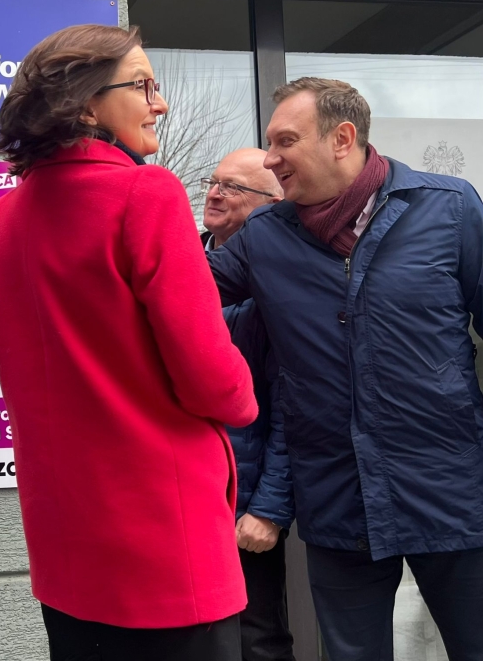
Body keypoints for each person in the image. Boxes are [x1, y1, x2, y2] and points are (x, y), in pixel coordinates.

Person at [0, 24, 258, 661]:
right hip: (163, 542)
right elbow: (211, 379)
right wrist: (244, 395)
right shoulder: (147, 193)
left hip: (65, 546)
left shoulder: (3, 217)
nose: (159, 103)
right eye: (142, 86)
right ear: (86, 105)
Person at [208, 77, 483, 661]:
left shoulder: (449, 207)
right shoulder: (263, 236)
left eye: (285, 141)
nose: (270, 158)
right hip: (336, 499)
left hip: (451, 492)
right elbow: (179, 292)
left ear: (342, 138)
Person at [202, 149, 295, 661]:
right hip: (183, 497)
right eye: (213, 181)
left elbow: (289, 407)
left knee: (257, 641)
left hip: (244, 509)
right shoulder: (175, 270)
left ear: (271, 205)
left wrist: (269, 510)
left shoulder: (277, 289)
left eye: (233, 186)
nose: (214, 194)